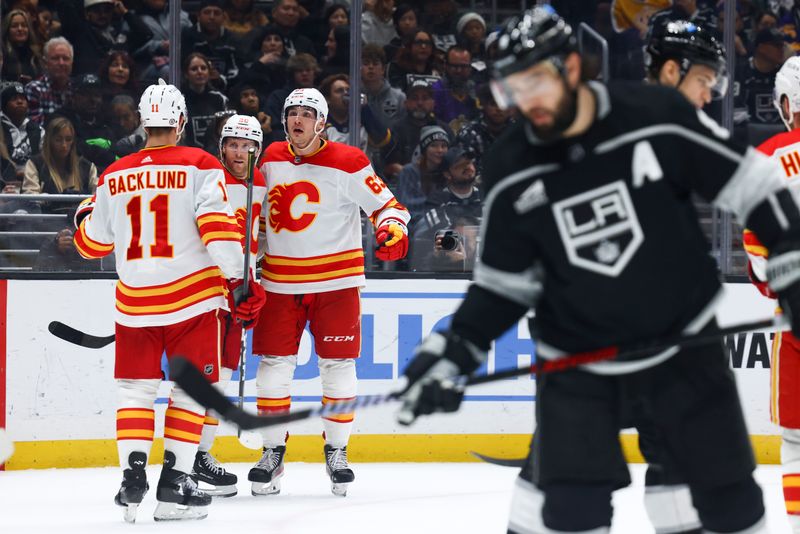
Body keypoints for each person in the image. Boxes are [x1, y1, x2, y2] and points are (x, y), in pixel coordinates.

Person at [396, 6, 800, 533]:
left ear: (570, 66)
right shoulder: (513, 166)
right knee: (572, 514)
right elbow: (501, 288)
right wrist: (450, 352)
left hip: (682, 347)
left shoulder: (652, 114)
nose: (526, 103)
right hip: (577, 365)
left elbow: (755, 185)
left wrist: (791, 267)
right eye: (512, 89)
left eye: (535, 82)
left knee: (731, 503)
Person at [72, 79, 266, 522]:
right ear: (180, 121)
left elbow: (92, 244)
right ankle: (175, 484)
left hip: (134, 305)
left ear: (143, 122)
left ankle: (132, 475)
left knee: (135, 393)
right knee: (189, 392)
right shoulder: (200, 163)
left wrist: (84, 212)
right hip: (193, 303)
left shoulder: (114, 173)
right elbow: (218, 229)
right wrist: (241, 280)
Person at [249, 88, 410, 498]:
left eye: (306, 114)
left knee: (338, 369)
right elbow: (250, 217)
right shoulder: (268, 160)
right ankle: (272, 452)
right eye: (291, 114)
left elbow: (388, 206)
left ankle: (337, 450)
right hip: (280, 284)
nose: (297, 120)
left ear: (322, 123)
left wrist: (392, 227)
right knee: (271, 372)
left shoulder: (349, 161)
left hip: (336, 285)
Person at [193, 113, 268, 498]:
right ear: (221, 146)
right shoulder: (208, 182)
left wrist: (252, 281)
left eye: (247, 145)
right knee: (208, 377)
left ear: (257, 149)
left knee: (221, 374)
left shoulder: (262, 186)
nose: (239, 152)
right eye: (233, 144)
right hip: (210, 291)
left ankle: (200, 454)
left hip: (241, 291)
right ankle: (194, 454)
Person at [743, 55, 800, 534]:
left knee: (797, 437)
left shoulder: (768, 157)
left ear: (786, 103)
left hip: (796, 322)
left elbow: (759, 260)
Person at [22, 115, 97, 198]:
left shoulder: (87, 167)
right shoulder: (36, 164)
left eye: (68, 139)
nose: (64, 145)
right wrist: (48, 199)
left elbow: (98, 195)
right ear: (49, 141)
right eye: (58, 140)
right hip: (46, 210)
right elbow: (30, 196)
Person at [25, 37, 74, 125]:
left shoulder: (76, 89)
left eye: (66, 58)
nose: (61, 63)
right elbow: (35, 128)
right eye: (55, 58)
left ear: (72, 62)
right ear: (45, 63)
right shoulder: (34, 89)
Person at [2, 9, 42, 84]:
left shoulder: (35, 55)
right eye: (14, 26)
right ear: (7, 30)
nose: (20, 29)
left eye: (24, 25)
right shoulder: (3, 54)